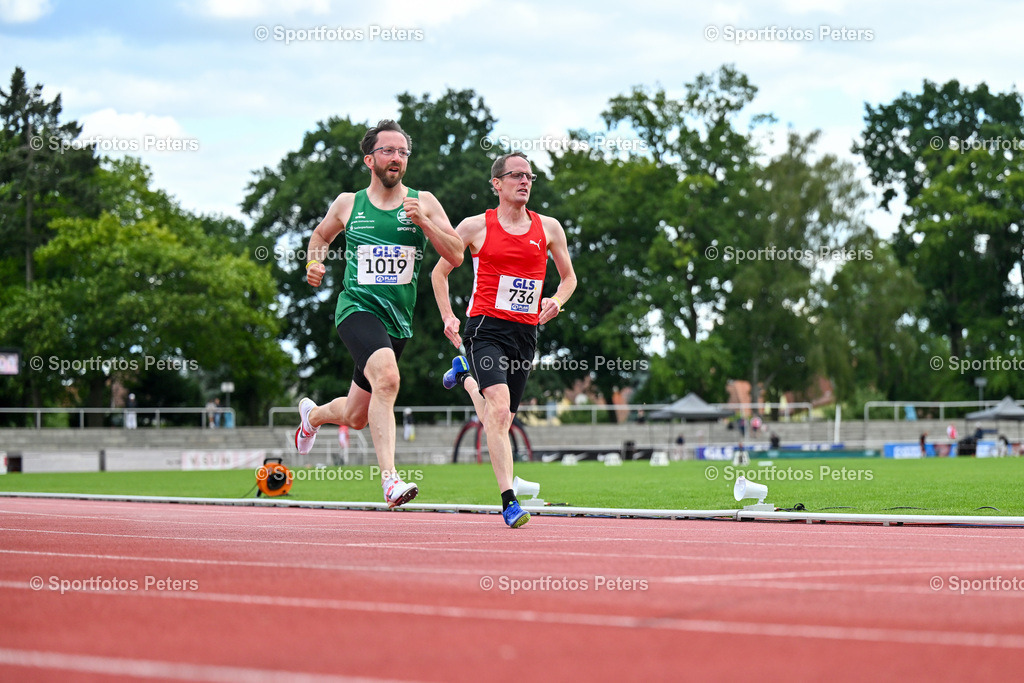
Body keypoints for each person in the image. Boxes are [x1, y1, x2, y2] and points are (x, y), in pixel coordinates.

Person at [293, 119, 464, 508]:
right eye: (388, 150)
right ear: (369, 159)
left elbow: (455, 255)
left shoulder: (424, 202)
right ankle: (390, 481)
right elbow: (320, 237)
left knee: (356, 415)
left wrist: (423, 221)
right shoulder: (348, 203)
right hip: (356, 308)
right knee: (388, 378)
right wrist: (313, 264)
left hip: (397, 322)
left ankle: (313, 416)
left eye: (403, 152)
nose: (397, 158)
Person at [432, 151, 577, 528]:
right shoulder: (474, 227)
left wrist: (556, 301)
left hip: (524, 334)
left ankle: (464, 377)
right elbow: (439, 274)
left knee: (501, 419)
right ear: (497, 184)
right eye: (516, 175)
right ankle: (509, 501)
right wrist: (448, 315)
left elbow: (569, 279)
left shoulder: (550, 228)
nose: (525, 181)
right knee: (497, 410)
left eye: (529, 176)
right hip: (485, 328)